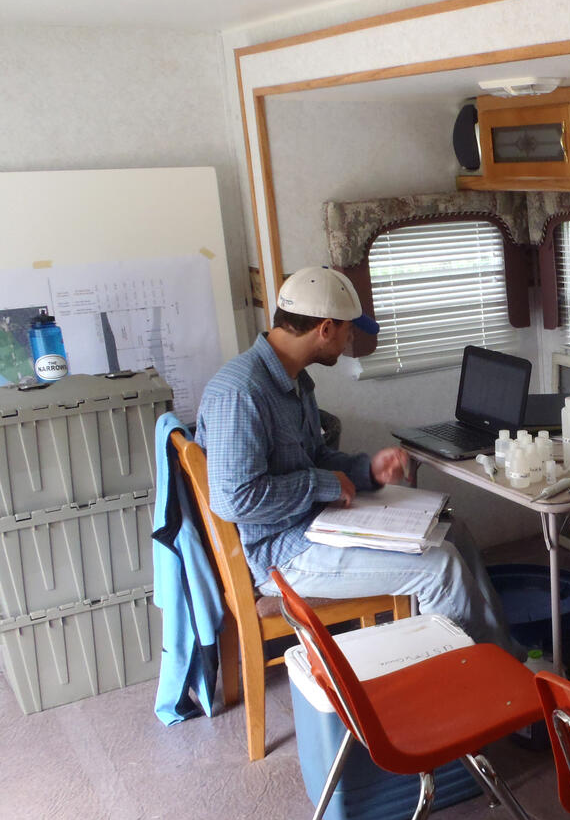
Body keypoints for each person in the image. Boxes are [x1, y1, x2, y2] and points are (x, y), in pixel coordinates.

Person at [195, 266, 511, 650]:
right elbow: (233, 499)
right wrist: (324, 484)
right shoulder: (242, 392)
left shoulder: (292, 378)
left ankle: (501, 656)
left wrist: (367, 470)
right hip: (283, 552)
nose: (350, 338)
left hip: (314, 525)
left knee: (452, 530)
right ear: (325, 328)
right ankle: (469, 686)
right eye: (348, 329)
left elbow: (315, 458)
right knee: (438, 569)